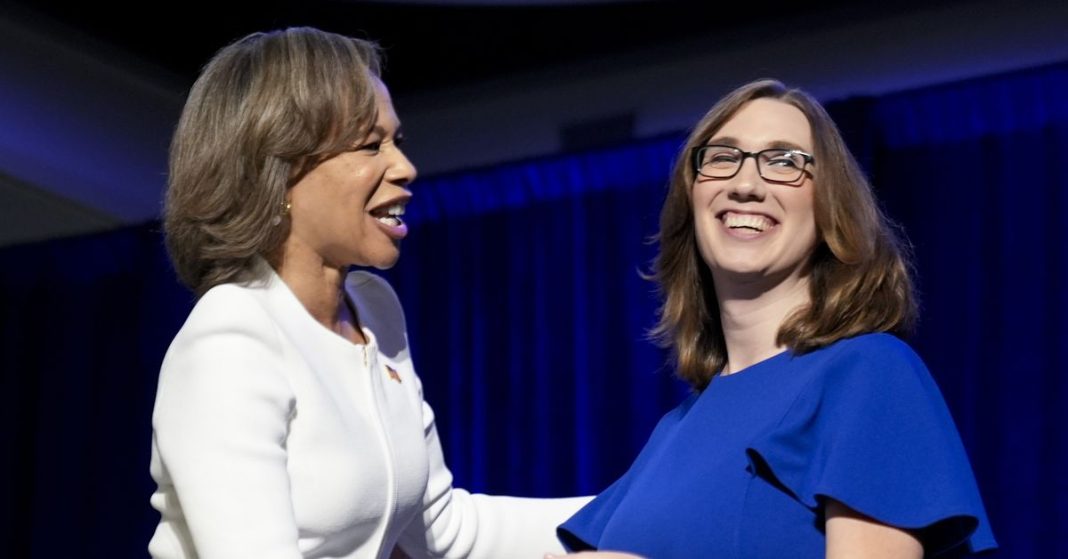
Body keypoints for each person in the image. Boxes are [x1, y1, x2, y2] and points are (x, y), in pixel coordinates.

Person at [148, 27, 589, 559]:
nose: (404, 168)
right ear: (279, 170)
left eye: (395, 142)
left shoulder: (375, 310)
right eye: (369, 145)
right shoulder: (231, 337)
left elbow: (444, 531)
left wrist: (633, 515)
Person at [555, 79, 997, 558]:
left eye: (785, 161)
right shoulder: (675, 429)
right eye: (722, 157)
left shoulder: (869, 373)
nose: (745, 185)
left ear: (831, 210)